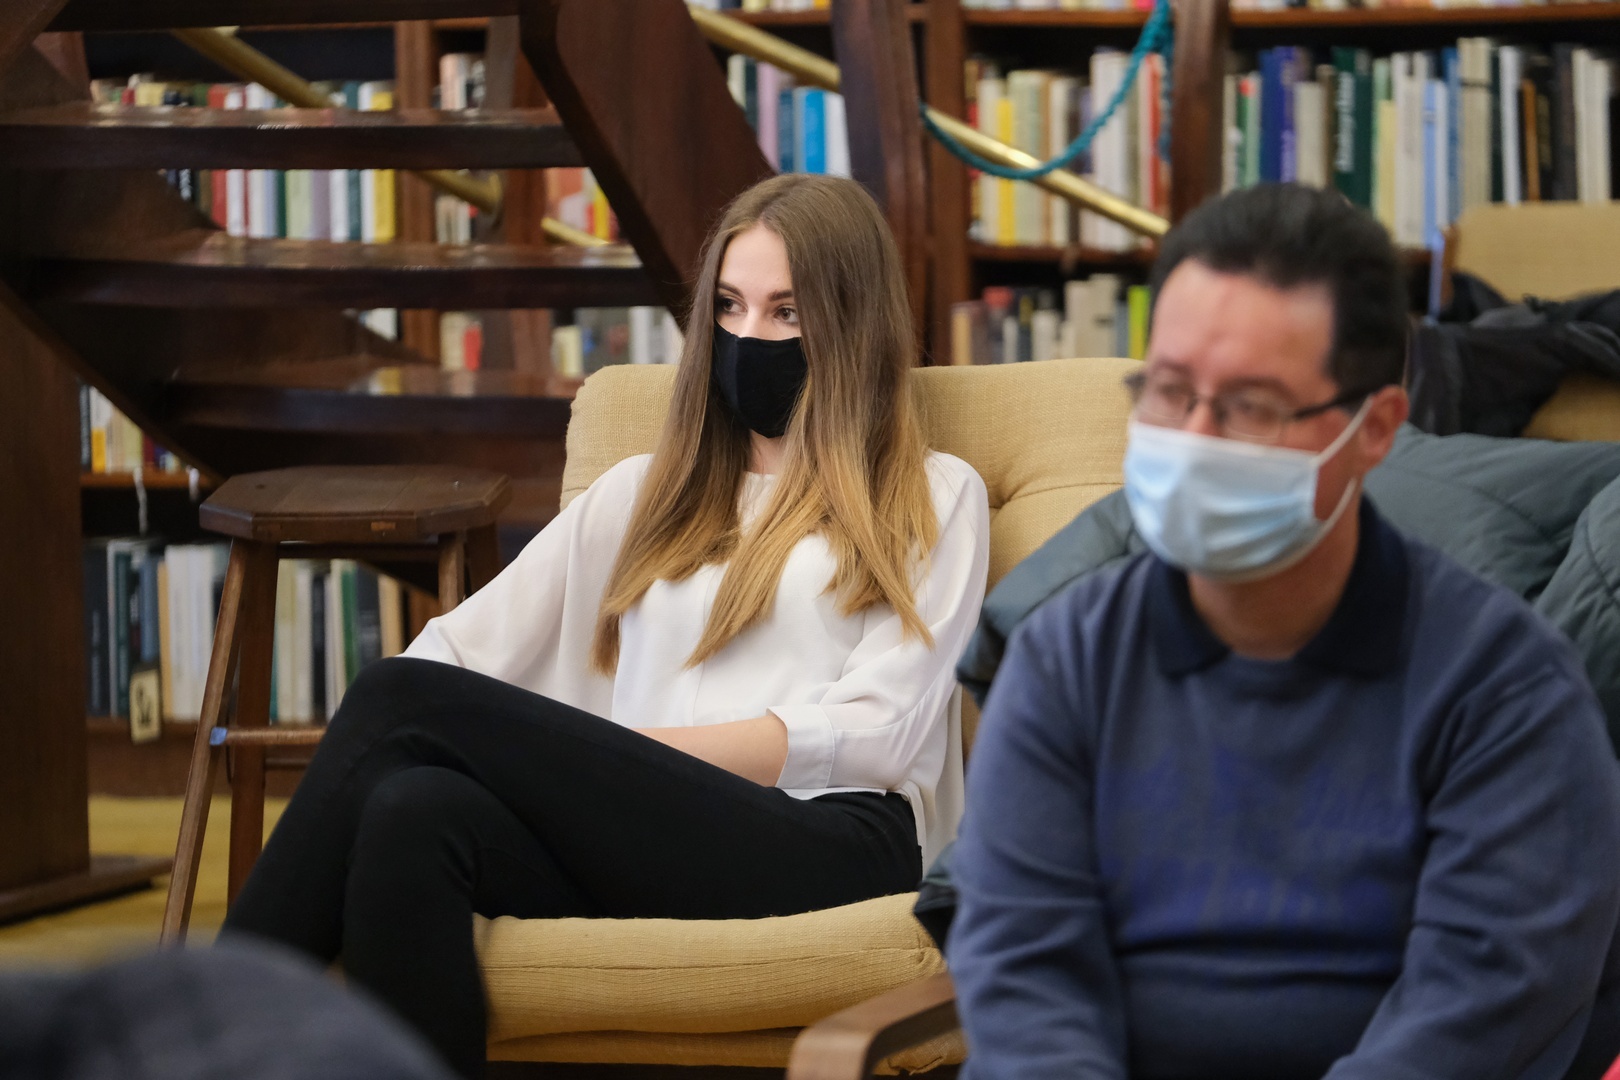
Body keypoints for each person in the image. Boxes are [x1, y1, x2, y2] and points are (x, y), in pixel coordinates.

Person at [221, 174, 990, 1078]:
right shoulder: (642, 494)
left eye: (787, 313)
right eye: (730, 307)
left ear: (851, 324)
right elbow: (453, 658)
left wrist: (625, 760)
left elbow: (880, 735)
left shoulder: (934, 494)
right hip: (655, 841)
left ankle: (193, 1035)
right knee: (411, 811)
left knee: (396, 699)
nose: (749, 337)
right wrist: (573, 768)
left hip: (835, 844)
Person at [946, 183, 1620, 1080]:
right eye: (1169, 392)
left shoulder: (1506, 688)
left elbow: (1482, 1008)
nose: (1195, 439)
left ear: (1376, 429)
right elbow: (1023, 972)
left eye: (1252, 407)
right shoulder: (1065, 657)